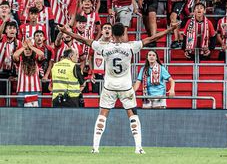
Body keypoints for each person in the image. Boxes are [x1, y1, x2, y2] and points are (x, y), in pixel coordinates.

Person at [59, 21, 178, 154]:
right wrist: (170, 30)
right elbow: (152, 38)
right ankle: (138, 148)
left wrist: (66, 32)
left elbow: (83, 39)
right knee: (133, 116)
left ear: (112, 34)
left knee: (102, 116)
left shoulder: (103, 47)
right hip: (126, 87)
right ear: (124, 33)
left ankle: (95, 147)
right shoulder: (130, 47)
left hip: (109, 87)